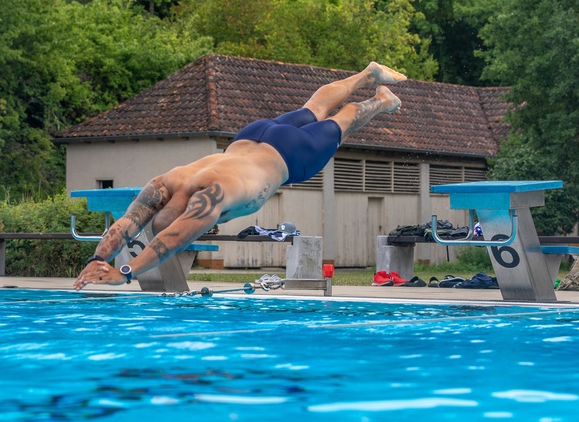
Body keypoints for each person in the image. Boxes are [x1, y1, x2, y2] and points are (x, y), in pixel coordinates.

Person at [74, 60, 406, 288]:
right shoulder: (166, 182)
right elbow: (127, 224)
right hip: (251, 135)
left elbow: (171, 240)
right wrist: (97, 259)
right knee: (313, 109)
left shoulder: (209, 199)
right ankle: (367, 74)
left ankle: (381, 99)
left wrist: (125, 273)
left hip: (290, 157)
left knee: (344, 118)